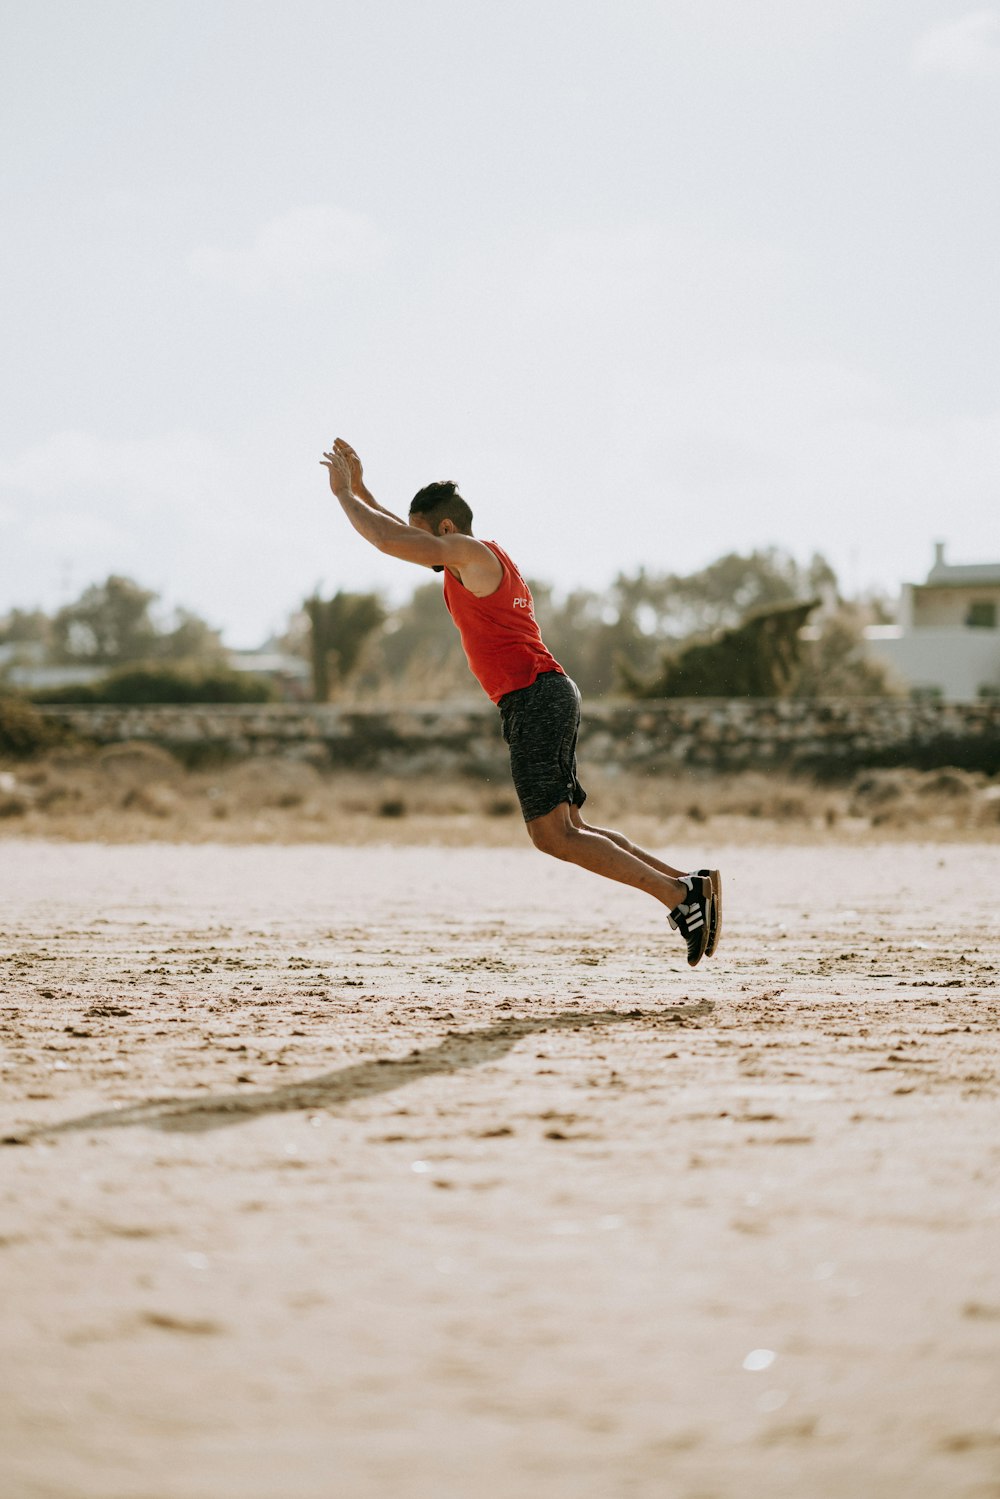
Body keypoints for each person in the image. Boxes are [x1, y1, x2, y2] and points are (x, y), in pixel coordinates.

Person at [320, 438, 720, 966]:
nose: (421, 552)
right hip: (546, 692)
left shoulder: (472, 552)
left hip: (535, 696)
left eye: (426, 537)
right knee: (571, 828)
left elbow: (388, 542)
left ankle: (680, 898)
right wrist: (365, 488)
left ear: (444, 530)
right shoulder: (470, 560)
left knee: (551, 836)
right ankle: (686, 885)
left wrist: (343, 495)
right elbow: (398, 534)